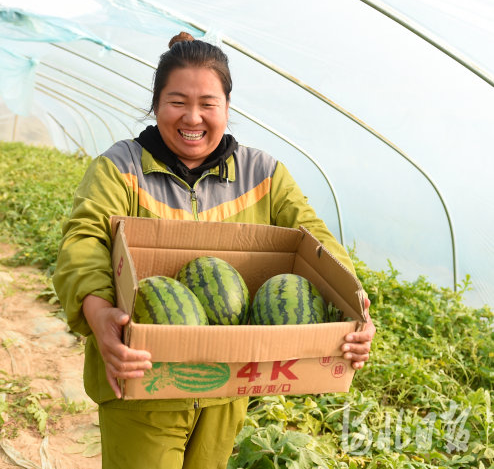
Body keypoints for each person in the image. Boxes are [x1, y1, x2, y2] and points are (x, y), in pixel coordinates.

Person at [53, 31, 376, 469]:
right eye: (177, 101)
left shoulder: (263, 174)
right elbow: (84, 240)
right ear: (155, 104)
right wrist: (98, 312)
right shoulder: (119, 167)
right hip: (142, 381)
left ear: (227, 108)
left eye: (208, 104)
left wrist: (354, 307)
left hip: (229, 384)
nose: (193, 117)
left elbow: (316, 241)